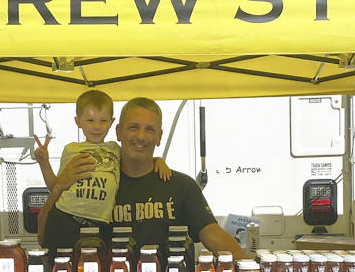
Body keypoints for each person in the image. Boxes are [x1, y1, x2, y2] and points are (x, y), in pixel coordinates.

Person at [38, 97, 246, 259]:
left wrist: (250, 266)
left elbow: (211, 233)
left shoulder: (180, 186)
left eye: (150, 129)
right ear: (118, 132)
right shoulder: (97, 180)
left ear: (159, 137)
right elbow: (44, 238)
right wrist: (57, 188)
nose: (141, 136)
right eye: (133, 127)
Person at [33, 89, 170, 243]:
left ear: (111, 122)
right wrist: (44, 164)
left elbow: (138, 158)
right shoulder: (71, 149)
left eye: (103, 121)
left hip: (100, 223)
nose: (97, 127)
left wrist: (158, 161)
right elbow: (55, 186)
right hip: (66, 215)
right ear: (78, 122)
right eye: (90, 120)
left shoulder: (115, 149)